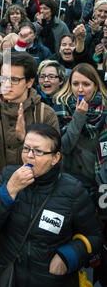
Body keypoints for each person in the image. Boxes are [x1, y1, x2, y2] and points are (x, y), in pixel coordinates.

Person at [0, 123, 103, 287]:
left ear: (55, 158)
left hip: (53, 283)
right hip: (10, 280)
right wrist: (10, 190)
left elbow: (94, 235)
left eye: (38, 151)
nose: (29, 156)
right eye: (26, 148)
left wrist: (69, 255)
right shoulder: (8, 176)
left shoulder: (72, 190)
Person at [0, 51, 59, 200]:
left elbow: (54, 165)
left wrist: (25, 140)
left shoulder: (45, 114)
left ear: (29, 82)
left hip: (33, 198)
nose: (6, 84)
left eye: (14, 79)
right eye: (4, 78)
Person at [54, 63, 107, 200]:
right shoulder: (61, 105)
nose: (80, 89)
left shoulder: (104, 108)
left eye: (86, 84)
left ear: (95, 85)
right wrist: (78, 117)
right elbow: (64, 146)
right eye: (75, 84)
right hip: (70, 179)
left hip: (99, 179)